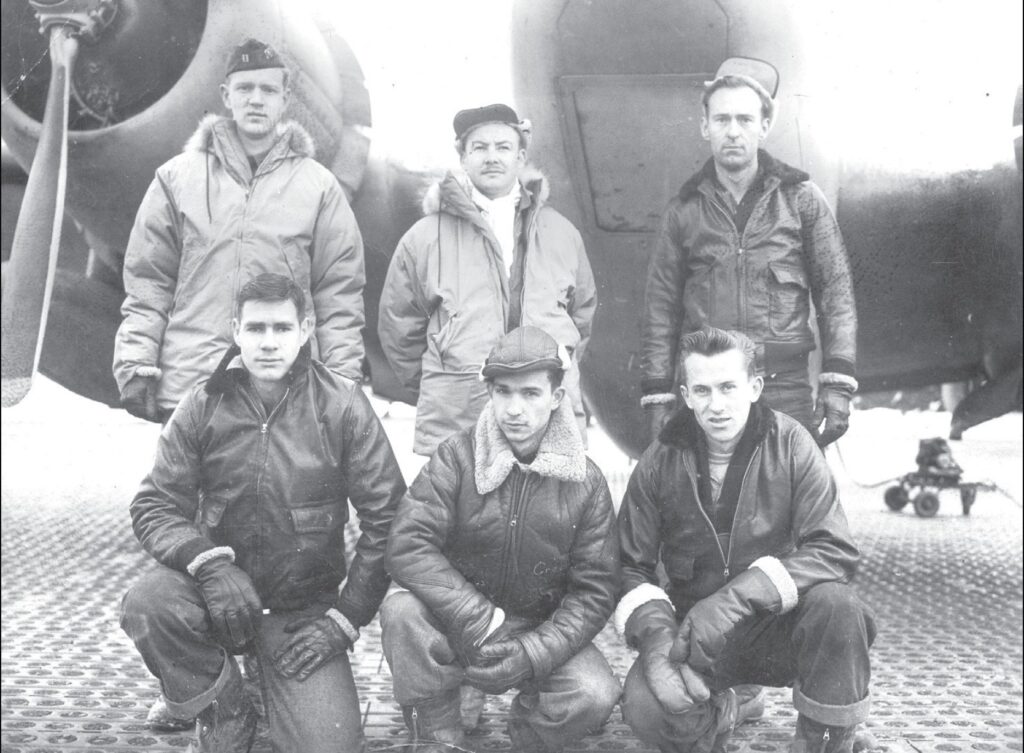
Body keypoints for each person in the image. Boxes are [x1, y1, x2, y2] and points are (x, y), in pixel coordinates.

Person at [119, 273, 404, 753]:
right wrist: (210, 565)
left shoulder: (343, 407)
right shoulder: (202, 404)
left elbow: (388, 520)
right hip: (215, 598)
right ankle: (224, 706)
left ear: (306, 328)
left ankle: (265, 679)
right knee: (149, 604)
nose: (268, 343)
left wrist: (343, 619)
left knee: (328, 746)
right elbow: (154, 504)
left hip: (298, 614)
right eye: (255, 329)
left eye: (281, 328)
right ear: (235, 331)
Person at [617, 327, 876, 752]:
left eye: (728, 387)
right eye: (702, 390)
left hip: (775, 629)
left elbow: (834, 550)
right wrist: (658, 641)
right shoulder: (658, 460)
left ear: (754, 388)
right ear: (685, 395)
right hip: (696, 638)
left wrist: (732, 600)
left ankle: (826, 737)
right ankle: (732, 706)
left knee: (839, 608)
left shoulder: (792, 443)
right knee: (648, 713)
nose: (716, 405)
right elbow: (631, 565)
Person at [380, 326, 621, 752]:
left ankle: (527, 732)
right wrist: (478, 617)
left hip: (537, 630)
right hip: (463, 622)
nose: (515, 409)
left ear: (557, 398)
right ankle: (439, 735)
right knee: (402, 611)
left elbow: (594, 593)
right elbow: (407, 543)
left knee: (594, 693)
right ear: (489, 393)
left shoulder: (587, 482)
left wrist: (532, 652)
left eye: (531, 394)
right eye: (503, 392)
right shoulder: (456, 456)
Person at [114, 38, 366, 423]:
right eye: (245, 88)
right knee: (184, 486)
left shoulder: (320, 187)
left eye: (268, 90)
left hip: (283, 390)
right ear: (225, 95)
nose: (256, 99)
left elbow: (339, 293)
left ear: (285, 99)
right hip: (193, 386)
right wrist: (136, 361)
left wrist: (343, 377)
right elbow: (149, 280)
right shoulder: (176, 178)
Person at [640, 63, 858, 447]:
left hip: (784, 387)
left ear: (764, 126)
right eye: (722, 119)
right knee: (704, 503)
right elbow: (661, 309)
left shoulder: (802, 200)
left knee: (798, 500)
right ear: (705, 127)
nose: (733, 131)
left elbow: (836, 295)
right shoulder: (684, 211)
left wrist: (837, 381)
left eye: (744, 119)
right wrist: (659, 394)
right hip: (708, 390)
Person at [378, 103, 597, 455]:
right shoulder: (424, 237)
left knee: (546, 509)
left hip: (547, 414)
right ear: (463, 158)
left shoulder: (561, 232)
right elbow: (399, 327)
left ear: (521, 156)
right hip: (460, 411)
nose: (491, 157)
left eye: (503, 147)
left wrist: (557, 373)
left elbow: (581, 316)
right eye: (479, 148)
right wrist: (446, 380)